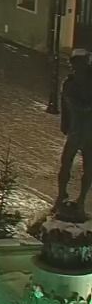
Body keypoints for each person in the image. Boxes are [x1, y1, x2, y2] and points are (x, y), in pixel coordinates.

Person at [58, 51, 92, 210]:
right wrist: (64, 124)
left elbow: (72, 103)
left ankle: (81, 199)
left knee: (88, 166)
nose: (74, 68)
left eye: (77, 64)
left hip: (89, 130)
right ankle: (61, 195)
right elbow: (66, 105)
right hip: (76, 129)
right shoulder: (69, 83)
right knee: (65, 163)